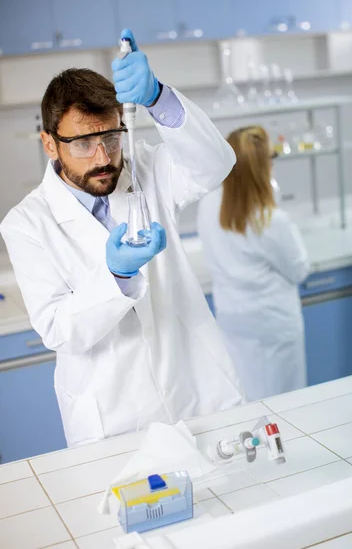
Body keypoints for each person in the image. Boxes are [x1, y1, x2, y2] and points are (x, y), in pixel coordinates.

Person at [0, 30, 242, 448]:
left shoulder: (145, 167)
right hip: (112, 419)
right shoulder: (26, 224)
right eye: (83, 143)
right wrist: (116, 276)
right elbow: (59, 330)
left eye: (111, 137)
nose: (102, 157)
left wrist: (157, 97)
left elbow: (215, 164)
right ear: (49, 144)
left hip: (196, 394)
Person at [198, 126, 310, 402]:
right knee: (286, 404)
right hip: (273, 325)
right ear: (262, 166)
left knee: (247, 398)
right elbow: (299, 269)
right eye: (270, 158)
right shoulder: (269, 219)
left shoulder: (209, 204)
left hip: (233, 319)